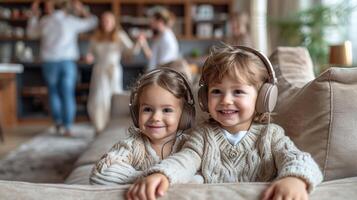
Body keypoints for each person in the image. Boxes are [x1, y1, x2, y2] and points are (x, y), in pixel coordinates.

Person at [127, 44, 323, 200]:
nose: (226, 100)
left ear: (264, 97)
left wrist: (295, 179)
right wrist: (162, 174)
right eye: (216, 91)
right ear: (204, 97)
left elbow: (297, 158)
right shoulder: (203, 135)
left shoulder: (271, 135)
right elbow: (184, 160)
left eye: (238, 92)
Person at [90, 68, 201, 185]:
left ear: (184, 115)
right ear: (136, 113)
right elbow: (100, 172)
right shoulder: (133, 146)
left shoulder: (189, 146)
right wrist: (150, 178)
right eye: (147, 109)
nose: (155, 118)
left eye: (167, 110)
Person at [27, 0, 98, 136]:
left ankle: (58, 123)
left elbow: (31, 33)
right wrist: (82, 10)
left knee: (53, 93)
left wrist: (34, 15)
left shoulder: (45, 21)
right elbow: (93, 22)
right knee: (68, 94)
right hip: (67, 62)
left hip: (49, 62)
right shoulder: (71, 20)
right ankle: (68, 127)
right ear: (65, 9)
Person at [85, 11, 141, 133]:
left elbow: (131, 51)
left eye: (109, 21)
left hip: (113, 70)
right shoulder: (95, 37)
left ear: (114, 22)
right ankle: (99, 127)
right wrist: (89, 57)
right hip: (99, 71)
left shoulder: (120, 35)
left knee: (113, 97)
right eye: (104, 21)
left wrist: (139, 42)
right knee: (98, 98)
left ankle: (111, 127)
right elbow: (90, 53)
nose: (106, 23)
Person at [139, 7, 179, 71]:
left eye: (153, 20)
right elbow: (152, 56)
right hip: (156, 73)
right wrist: (144, 42)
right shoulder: (161, 35)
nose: (151, 23)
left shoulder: (166, 38)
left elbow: (164, 63)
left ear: (160, 21)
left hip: (160, 75)